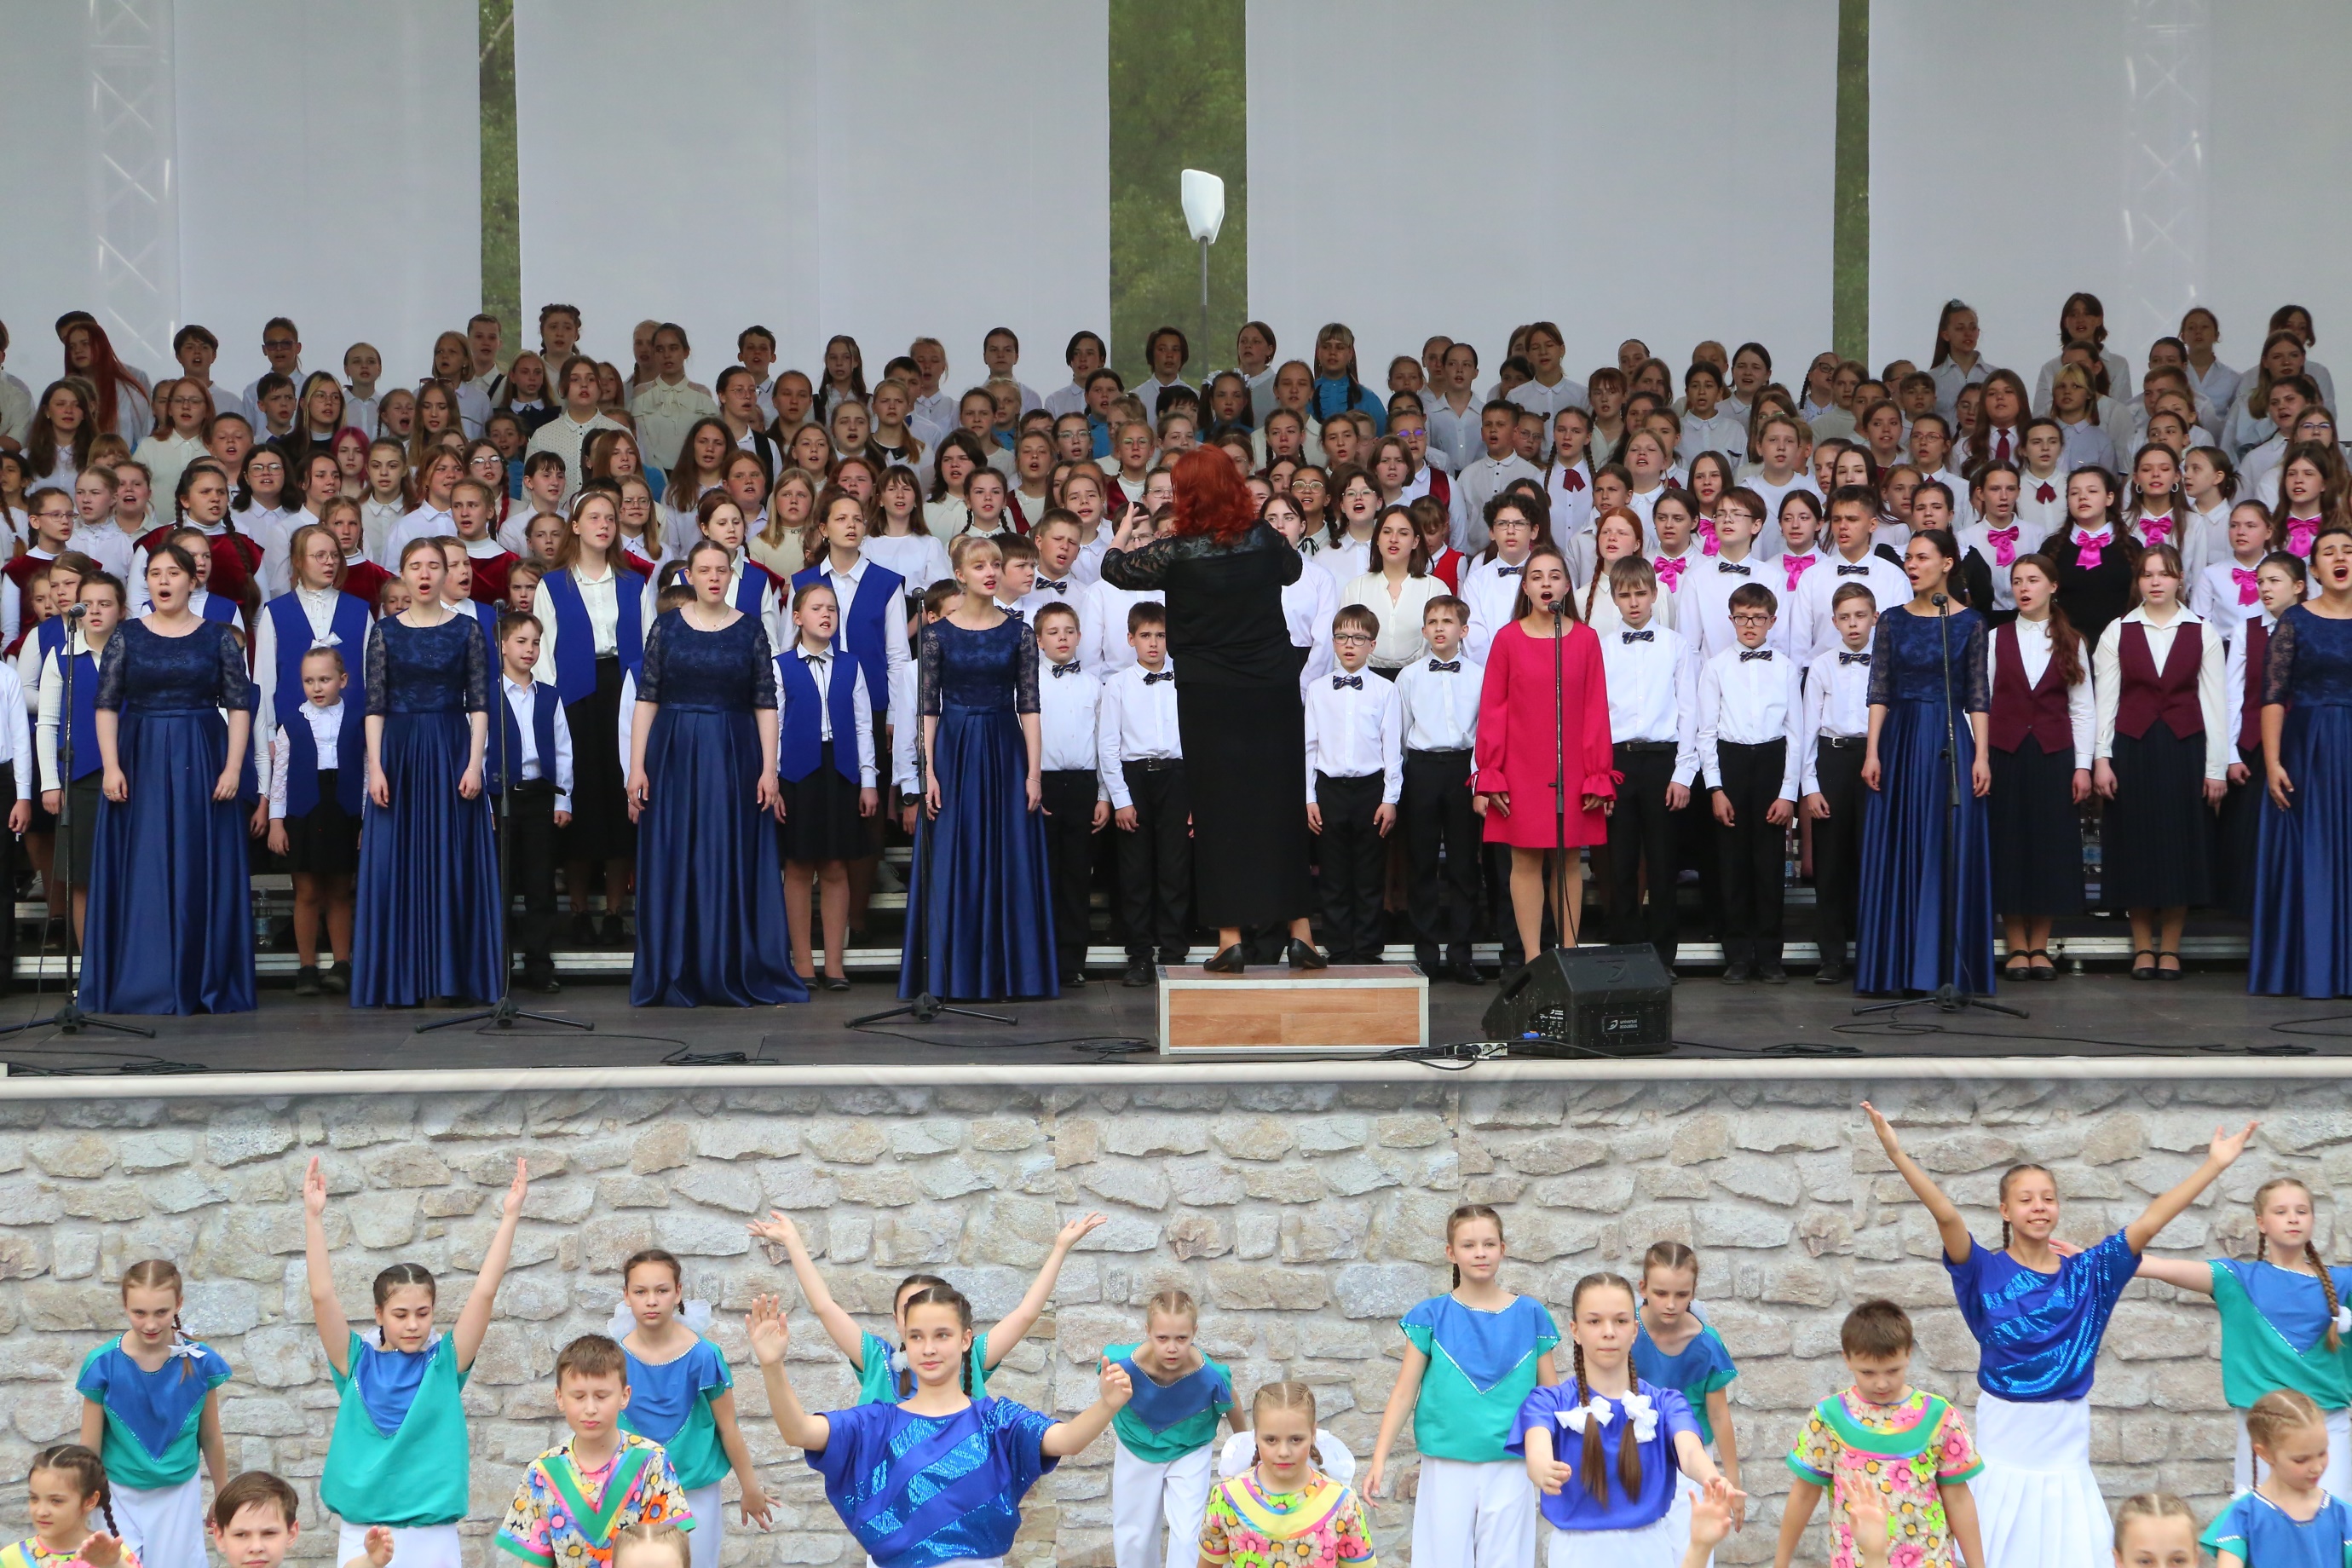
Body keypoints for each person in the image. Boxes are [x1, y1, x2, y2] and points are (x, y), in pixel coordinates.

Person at [1866, 1101, 2251, 1568]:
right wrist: (1897, 1154)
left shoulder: (2091, 1274)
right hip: (2003, 1440)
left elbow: (2150, 1221)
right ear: (2005, 1211)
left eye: (2048, 1198)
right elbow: (1947, 1216)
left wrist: (2214, 1165)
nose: (2039, 1207)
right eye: (2026, 1199)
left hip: (2065, 1448)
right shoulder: (1981, 1270)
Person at [1100, 447, 1317, 970]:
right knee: (1280, 805)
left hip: (1209, 695)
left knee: (1220, 812)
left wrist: (1124, 531)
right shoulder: (1264, 538)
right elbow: (1292, 570)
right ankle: (1302, 934)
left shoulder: (1177, 552)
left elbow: (1115, 570)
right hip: (1271, 690)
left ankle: (1229, 939)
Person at [747, 1285, 1130, 1568]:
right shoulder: (877, 1424)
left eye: (942, 1335)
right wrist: (772, 1366)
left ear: (965, 1340)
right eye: (917, 1337)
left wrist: (1107, 1405)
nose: (928, 1348)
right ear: (905, 1342)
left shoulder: (997, 1421)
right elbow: (798, 1432)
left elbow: (1067, 1440)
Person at [304, 1155, 528, 1568]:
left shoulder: (445, 1363)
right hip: (364, 1532)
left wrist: (510, 1216)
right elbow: (321, 1295)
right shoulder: (355, 1361)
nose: (412, 1325)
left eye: (423, 1314)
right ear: (378, 1314)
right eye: (400, 1314)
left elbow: (484, 1292)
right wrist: (313, 1217)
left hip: (431, 1534)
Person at [625, 538, 801, 1007]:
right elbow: (647, 699)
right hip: (673, 751)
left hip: (733, 751)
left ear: (731, 575)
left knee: (727, 852)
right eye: (704, 570)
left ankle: (727, 962)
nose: (713, 578)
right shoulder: (666, 627)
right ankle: (676, 966)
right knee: (677, 854)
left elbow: (766, 703)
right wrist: (636, 766)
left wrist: (769, 769)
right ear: (689, 576)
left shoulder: (750, 629)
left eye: (721, 570)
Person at [81, 545, 254, 1015]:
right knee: (146, 863)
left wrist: (233, 767)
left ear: (192, 580)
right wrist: (111, 766)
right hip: (140, 757)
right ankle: (145, 977)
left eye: (173, 572)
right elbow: (106, 704)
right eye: (155, 573)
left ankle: (201, 979)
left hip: (202, 752)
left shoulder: (217, 637)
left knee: (198, 863)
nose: (163, 580)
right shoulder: (127, 635)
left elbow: (239, 705)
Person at [896, 533, 1054, 1000]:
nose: (990, 572)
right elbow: (928, 710)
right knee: (952, 854)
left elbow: (1030, 707)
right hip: (954, 748)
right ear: (960, 575)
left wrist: (1033, 774)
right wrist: (928, 771)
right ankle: (951, 974)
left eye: (996, 564)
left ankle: (1012, 974)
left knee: (1011, 854)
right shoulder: (936, 635)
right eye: (980, 565)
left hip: (1005, 746)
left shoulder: (1020, 633)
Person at [351, 539, 501, 1007]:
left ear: (445, 574)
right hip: (398, 752)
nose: (424, 574)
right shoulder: (384, 632)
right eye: (415, 566)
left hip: (451, 747)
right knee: (396, 863)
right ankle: (401, 980)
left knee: (452, 860)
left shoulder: (467, 630)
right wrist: (376, 768)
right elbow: (374, 706)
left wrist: (474, 763)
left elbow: (479, 704)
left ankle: (452, 976)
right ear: (402, 573)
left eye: (433, 566)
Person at [2134, 1175, 2352, 1495]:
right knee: (2263, 1519)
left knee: (2329, 1518)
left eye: (2302, 1211)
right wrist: (2095, 1260)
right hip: (2263, 1429)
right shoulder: (2236, 1280)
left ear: (2313, 1219)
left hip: (2328, 1428)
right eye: (2281, 1211)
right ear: (2261, 1223)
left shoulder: (2344, 1284)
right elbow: (2158, 1266)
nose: (2293, 1218)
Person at [1365, 1205, 1556, 1568]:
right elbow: (1404, 1392)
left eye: (1489, 1244)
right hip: (1445, 1463)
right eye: (1469, 1245)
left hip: (1511, 1462)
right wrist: (1379, 1458)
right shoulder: (1430, 1316)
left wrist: (1557, 1456)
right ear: (1451, 1253)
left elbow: (1550, 1396)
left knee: (1508, 1561)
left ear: (1503, 1248)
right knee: (1442, 1559)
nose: (1480, 1253)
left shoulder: (1531, 1315)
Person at [1509, 1272, 1738, 1568]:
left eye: (1620, 1321)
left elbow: (1691, 1451)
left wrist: (1713, 1479)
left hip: (1649, 1551)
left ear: (1634, 1330)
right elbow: (1537, 1447)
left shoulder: (1666, 1403)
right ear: (1575, 1330)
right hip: (1575, 1555)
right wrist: (1542, 1467)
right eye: (1595, 1321)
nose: (1609, 1332)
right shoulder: (1548, 1402)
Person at [1855, 531, 1993, 997]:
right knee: (1901, 844)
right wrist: (1873, 751)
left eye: (1921, 558)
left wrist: (1982, 755)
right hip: (1901, 737)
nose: (1911, 565)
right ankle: (1897, 967)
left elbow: (1978, 696)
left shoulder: (1971, 622)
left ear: (1947, 563)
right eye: (1908, 558)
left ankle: (1943, 967)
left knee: (1945, 845)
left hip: (1950, 740)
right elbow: (1878, 690)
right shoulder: (1892, 620)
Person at [1476, 543, 1614, 966]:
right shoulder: (1507, 639)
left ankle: (1569, 955)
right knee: (1524, 858)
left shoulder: (1586, 639)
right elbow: (1493, 709)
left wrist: (1597, 775)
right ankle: (1534, 960)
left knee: (1569, 857)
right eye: (1536, 577)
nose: (1546, 584)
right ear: (1525, 587)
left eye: (1554, 576)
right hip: (1521, 766)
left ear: (1568, 585)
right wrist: (1490, 773)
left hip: (1572, 766)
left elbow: (1596, 709)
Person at [2093, 543, 2226, 980]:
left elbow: (2215, 705)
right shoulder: (2118, 631)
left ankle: (2170, 947)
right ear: (2138, 581)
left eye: (2164, 574)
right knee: (2136, 847)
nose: (2155, 582)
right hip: (2132, 748)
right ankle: (2142, 947)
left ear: (2179, 580)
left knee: (2179, 847)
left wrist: (2215, 768)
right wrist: (2102, 759)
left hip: (2185, 749)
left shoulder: (2202, 631)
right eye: (2147, 574)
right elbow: (2105, 702)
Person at [1773, 1300, 1984, 1568]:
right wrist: (1780, 1563)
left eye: (1893, 1370)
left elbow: (1959, 1498)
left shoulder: (1939, 1417)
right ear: (1847, 1359)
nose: (1882, 1383)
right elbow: (1804, 1494)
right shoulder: (1828, 1418)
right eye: (1868, 1372)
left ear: (1908, 1354)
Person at [531, 490, 647, 948]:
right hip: (574, 698)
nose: (604, 524)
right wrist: (550, 708)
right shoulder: (552, 585)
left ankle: (615, 910)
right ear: (575, 526)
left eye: (610, 518)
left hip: (623, 695)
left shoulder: (634, 583)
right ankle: (579, 910)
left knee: (619, 801)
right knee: (579, 799)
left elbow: (648, 646)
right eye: (594, 517)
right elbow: (542, 655)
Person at [611, 1251, 771, 1568]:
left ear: (678, 1292)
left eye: (662, 1290)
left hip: (694, 1490)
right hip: (629, 1488)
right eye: (641, 1291)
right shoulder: (613, 1359)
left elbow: (728, 1427)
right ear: (626, 1296)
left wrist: (750, 1488)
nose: (652, 1300)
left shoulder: (704, 1356)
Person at [74, 1260, 230, 1568]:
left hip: (178, 1493)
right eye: (139, 1313)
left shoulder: (200, 1361)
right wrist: (80, 1501)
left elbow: (211, 1436)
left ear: (178, 1304)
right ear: (125, 1305)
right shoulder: (103, 1364)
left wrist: (223, 1495)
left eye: (161, 1312)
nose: (150, 1324)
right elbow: (88, 1449)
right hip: (116, 1494)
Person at [494, 1336, 696, 1568]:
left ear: (624, 1396)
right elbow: (534, 1561)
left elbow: (668, 1551)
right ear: (560, 1397)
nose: (590, 1409)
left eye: (601, 1396)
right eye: (579, 1397)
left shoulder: (652, 1461)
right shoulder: (542, 1472)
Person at [2253, 525, 2352, 996]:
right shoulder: (2295, 620)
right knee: (2314, 854)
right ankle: (2315, 967)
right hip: (2309, 748)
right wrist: (2273, 762)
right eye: (2328, 552)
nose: (2340, 557)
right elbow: (2273, 696)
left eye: (2348, 550)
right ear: (2313, 570)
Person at [1982, 555, 2090, 982]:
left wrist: (2082, 766)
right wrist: (1980, 757)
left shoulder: (2072, 641)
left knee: (2048, 847)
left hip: (2053, 754)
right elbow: (1982, 702)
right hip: (2005, 753)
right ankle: (2016, 944)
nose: (2024, 588)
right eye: (2017, 581)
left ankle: (2040, 945)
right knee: (2009, 845)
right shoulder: (1996, 638)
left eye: (2033, 580)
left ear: (2053, 586)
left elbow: (2082, 709)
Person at [773, 579, 875, 993]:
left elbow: (864, 725)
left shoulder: (851, 666)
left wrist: (868, 781)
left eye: (831, 608)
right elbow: (774, 727)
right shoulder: (781, 666)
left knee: (835, 865)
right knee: (798, 866)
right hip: (797, 774)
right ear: (797, 618)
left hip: (841, 772)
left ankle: (835, 964)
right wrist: (772, 780)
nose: (826, 615)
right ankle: (802, 963)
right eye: (816, 608)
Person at [1698, 581, 1801, 983]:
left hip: (1772, 761)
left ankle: (1771, 956)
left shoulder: (1786, 667)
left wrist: (1788, 792)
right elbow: (1706, 732)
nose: (1750, 625)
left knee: (1770, 865)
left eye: (1758, 618)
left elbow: (1796, 733)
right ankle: (1738, 955)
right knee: (1732, 865)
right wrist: (1715, 788)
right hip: (1732, 762)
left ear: (1772, 621)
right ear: (1731, 619)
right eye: (1742, 617)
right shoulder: (1716, 667)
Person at [1104, 1289, 1237, 1568]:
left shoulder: (1210, 1375)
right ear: (1148, 1331)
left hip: (1190, 1448)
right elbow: (1106, 1389)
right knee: (1133, 1535)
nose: (1172, 1348)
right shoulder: (1123, 1363)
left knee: (1190, 1536)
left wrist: (1246, 1445)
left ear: (1195, 1332)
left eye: (1182, 1338)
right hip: (1137, 1445)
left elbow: (1231, 1402)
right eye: (1162, 1338)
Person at [1306, 604, 1402, 964]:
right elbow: (1309, 747)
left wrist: (1390, 798)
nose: (1350, 644)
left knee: (1369, 871)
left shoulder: (1385, 690)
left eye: (1359, 638)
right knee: (1333, 872)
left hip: (1370, 790)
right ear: (1333, 642)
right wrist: (1309, 797)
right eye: (1343, 637)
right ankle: (1339, 946)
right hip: (1329, 789)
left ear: (1372, 645)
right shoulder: (1317, 690)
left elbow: (1392, 748)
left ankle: (1367, 947)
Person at [265, 647, 364, 995]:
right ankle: (306, 968)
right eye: (309, 681)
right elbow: (280, 776)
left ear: (343, 680)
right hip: (304, 811)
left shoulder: (358, 721)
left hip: (344, 810)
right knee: (306, 891)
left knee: (339, 890)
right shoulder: (292, 723)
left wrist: (366, 820)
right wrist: (276, 821)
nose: (317, 687)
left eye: (324, 679)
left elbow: (368, 773)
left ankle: (342, 964)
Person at [1098, 602, 1187, 986]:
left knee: (1175, 870)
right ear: (1131, 639)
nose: (1154, 643)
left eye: (1161, 635)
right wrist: (1121, 799)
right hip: (1134, 778)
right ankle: (1139, 956)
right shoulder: (1117, 685)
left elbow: (1198, 741)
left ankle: (1174, 953)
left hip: (1177, 777)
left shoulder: (1185, 679)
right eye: (1146, 635)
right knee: (1135, 873)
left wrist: (1195, 798)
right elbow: (1108, 745)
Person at [1631, 1243, 1743, 1550]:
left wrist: (1732, 1480)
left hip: (1691, 1456)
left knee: (1689, 1545)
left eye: (1681, 1295)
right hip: (1636, 1451)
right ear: (1643, 1288)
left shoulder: (1706, 1345)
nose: (1670, 1304)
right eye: (1661, 1293)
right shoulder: (1626, 1331)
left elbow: (1718, 1414)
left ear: (1693, 1292)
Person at [1397, 595, 1484, 983]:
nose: (1439, 628)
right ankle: (1427, 953)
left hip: (1464, 770)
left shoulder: (1479, 675)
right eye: (1432, 622)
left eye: (1447, 621)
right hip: (1422, 770)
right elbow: (1401, 732)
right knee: (1422, 863)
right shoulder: (1409, 677)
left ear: (1463, 630)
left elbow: (1483, 730)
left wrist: (1479, 778)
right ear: (1423, 630)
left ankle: (1462, 954)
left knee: (1464, 865)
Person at [1196, 1384, 1374, 1568]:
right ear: (1256, 1436)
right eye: (1271, 1440)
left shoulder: (1343, 1502)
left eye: (1296, 1439)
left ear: (1313, 1434)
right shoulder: (1227, 1497)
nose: (1283, 1452)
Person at [488, 614, 570, 994]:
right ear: (502, 646)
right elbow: (479, 750)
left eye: (535, 643)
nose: (529, 650)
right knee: (500, 886)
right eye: (521, 642)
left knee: (541, 886)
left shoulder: (549, 696)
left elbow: (563, 751)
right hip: (501, 797)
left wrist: (564, 799)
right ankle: (498, 966)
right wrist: (485, 803)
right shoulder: (487, 696)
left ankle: (539, 964)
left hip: (539, 796)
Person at [1801, 584, 1878, 984]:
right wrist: (1810, 786)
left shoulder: (1887, 663)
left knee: (1872, 861)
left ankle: (1872, 953)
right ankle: (1831, 955)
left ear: (1874, 618)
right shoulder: (1821, 666)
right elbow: (1807, 729)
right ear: (1833, 622)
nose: (1853, 624)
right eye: (1845, 617)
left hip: (1874, 761)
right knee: (1830, 863)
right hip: (1831, 760)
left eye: (1860, 616)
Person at [1031, 599, 1105, 989]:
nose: (1062, 638)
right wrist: (1029, 783)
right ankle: (1039, 962)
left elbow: (1104, 742)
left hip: (1083, 785)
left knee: (1077, 877)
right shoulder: (1027, 684)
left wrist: (1104, 794)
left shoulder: (1093, 684)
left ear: (1079, 636)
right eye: (1053, 632)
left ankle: (1071, 962)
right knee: (1043, 876)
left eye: (1069, 631)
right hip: (1042, 783)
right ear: (1038, 640)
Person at [2201, 1391, 2352, 1568]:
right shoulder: (2243, 1516)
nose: (2317, 1467)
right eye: (2301, 1460)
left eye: (2322, 1453)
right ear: (2265, 1453)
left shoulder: (2343, 1515)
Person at [11, 1446, 140, 1568]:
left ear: (90, 1501)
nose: (41, 1512)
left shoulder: (114, 1556)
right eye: (34, 1498)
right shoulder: (11, 1558)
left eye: (56, 1501)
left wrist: (114, 1565)